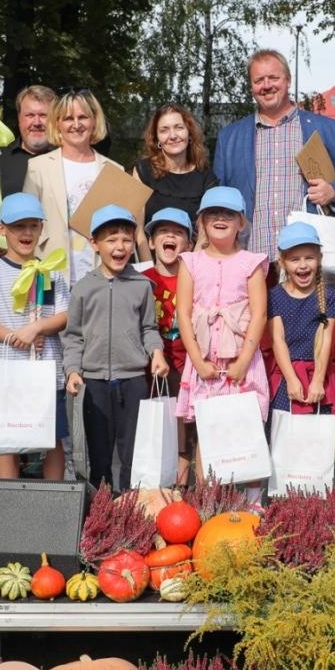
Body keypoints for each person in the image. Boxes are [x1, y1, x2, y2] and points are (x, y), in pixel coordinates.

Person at [213, 50, 335, 256]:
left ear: (288, 80)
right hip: (250, 261)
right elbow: (218, 199)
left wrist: (333, 191)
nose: (266, 86)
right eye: (259, 80)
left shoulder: (328, 130)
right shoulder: (229, 138)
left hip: (305, 262)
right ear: (251, 86)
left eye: (273, 78)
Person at [62, 205, 169, 492]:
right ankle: (100, 515)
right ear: (94, 244)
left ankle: (130, 512)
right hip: (93, 383)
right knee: (98, 457)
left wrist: (156, 353)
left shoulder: (141, 285)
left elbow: (149, 328)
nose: (119, 246)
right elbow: (73, 336)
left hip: (133, 381)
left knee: (132, 453)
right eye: (111, 239)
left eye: (126, 239)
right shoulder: (83, 288)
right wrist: (72, 370)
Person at [0, 193, 71, 481]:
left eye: (32, 225)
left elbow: (64, 316)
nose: (26, 233)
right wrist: (15, 337)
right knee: (8, 439)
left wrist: (38, 328)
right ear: (2, 229)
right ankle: (10, 497)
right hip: (8, 371)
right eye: (18, 227)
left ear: (42, 228)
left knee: (53, 436)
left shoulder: (51, 271)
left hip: (47, 370)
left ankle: (54, 496)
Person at [176, 188, 271, 471]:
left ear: (241, 222)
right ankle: (207, 502)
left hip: (240, 361)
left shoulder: (251, 263)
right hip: (204, 361)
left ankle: (248, 504)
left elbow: (259, 314)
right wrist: (196, 360)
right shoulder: (190, 262)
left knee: (244, 432)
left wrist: (243, 362)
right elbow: (183, 313)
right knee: (208, 432)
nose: (220, 218)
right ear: (202, 222)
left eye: (228, 214)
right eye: (213, 213)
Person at [23, 89, 115, 289]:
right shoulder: (37, 167)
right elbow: (26, 225)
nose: (76, 124)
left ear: (94, 121)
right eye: (68, 118)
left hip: (99, 276)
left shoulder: (114, 169)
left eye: (82, 117)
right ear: (57, 123)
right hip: (49, 274)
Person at [268, 222, 335, 448]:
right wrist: (292, 379)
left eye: (308, 258)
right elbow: (278, 340)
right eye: (294, 260)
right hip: (287, 375)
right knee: (286, 436)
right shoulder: (275, 296)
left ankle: (318, 482)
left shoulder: (329, 296)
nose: (303, 266)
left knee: (318, 439)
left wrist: (317, 381)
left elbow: (325, 341)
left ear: (319, 258)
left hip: (317, 374)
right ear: (282, 262)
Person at [142, 207, 194, 482]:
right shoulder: (142, 279)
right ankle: (154, 489)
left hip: (187, 365)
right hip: (152, 367)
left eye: (178, 232)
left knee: (183, 432)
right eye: (163, 231)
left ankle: (181, 493)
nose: (170, 236)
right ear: (151, 241)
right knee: (157, 429)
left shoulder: (196, 276)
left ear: (189, 243)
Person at [131, 104, 219, 237]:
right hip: (149, 254)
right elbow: (137, 230)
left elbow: (205, 233)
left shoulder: (206, 177)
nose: (172, 136)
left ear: (189, 134)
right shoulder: (143, 171)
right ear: (157, 139)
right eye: (164, 130)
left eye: (179, 128)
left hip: (193, 255)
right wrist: (147, 258)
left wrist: (191, 259)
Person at [0, 85, 57, 202]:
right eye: (30, 115)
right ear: (19, 119)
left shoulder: (66, 159)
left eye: (43, 115)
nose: (37, 122)